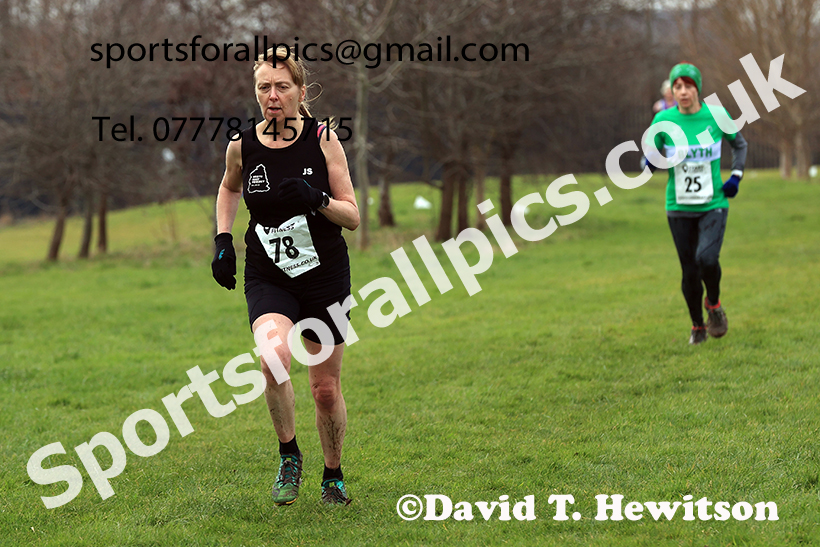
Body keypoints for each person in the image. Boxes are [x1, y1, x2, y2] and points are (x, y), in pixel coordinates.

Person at [210, 45, 360, 505]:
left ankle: (332, 474)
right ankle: (289, 453)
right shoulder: (243, 144)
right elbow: (228, 188)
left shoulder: (324, 139)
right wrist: (222, 239)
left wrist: (315, 198)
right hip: (269, 272)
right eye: (263, 87)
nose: (272, 96)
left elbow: (352, 217)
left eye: (281, 86)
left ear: (299, 90)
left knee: (324, 389)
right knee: (272, 357)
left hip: (324, 275)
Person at [644, 62, 747, 345]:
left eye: (688, 86)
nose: (683, 91)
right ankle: (697, 327)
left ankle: (713, 304)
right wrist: (649, 162)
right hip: (678, 206)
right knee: (689, 270)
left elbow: (739, 144)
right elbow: (650, 155)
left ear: (697, 89)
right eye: (678, 86)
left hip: (713, 202)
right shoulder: (663, 121)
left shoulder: (716, 115)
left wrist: (735, 176)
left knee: (707, 259)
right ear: (672, 91)